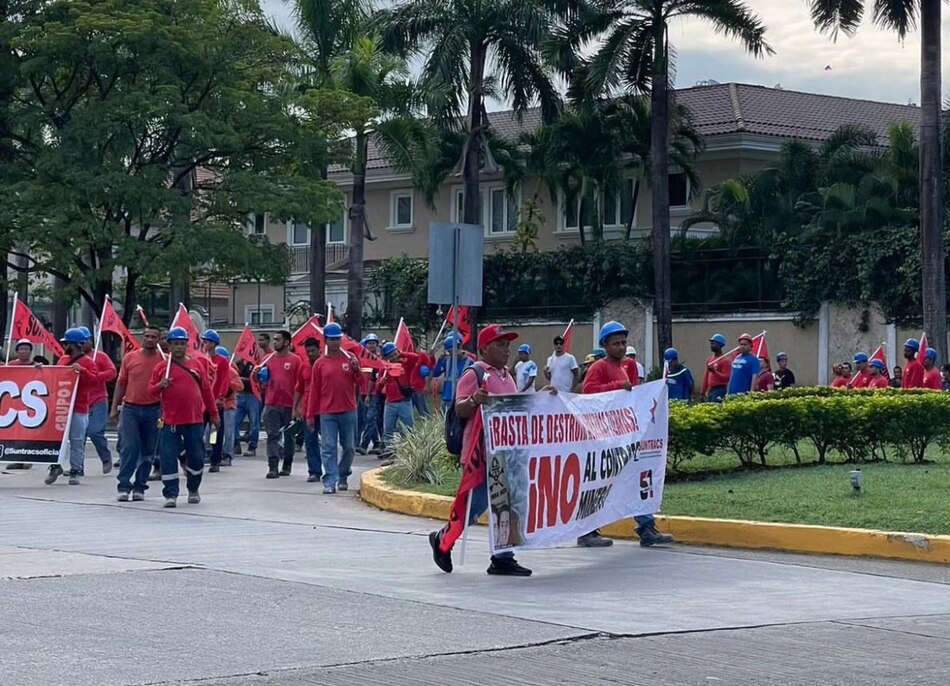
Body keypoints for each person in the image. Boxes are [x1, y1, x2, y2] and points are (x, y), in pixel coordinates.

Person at [428, 324, 532, 577]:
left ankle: (503, 557)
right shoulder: (474, 374)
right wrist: (475, 399)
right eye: (500, 344)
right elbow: (460, 408)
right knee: (474, 507)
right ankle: (442, 539)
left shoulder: (507, 375)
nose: (506, 349)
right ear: (484, 348)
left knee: (504, 505)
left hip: (506, 454)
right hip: (479, 455)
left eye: (507, 345)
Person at [583, 321, 674, 548]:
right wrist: (616, 386)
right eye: (616, 344)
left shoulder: (629, 366)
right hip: (605, 436)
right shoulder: (598, 367)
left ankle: (646, 527)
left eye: (623, 343)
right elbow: (588, 392)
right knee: (602, 483)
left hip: (626, 434)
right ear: (605, 345)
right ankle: (588, 530)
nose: (621, 347)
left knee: (637, 479)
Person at [149, 327, 219, 508]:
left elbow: (206, 391)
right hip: (169, 420)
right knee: (167, 457)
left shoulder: (198, 365)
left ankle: (193, 488)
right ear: (169, 346)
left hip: (194, 419)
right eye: (175, 344)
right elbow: (150, 392)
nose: (179, 347)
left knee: (196, 456)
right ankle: (170, 493)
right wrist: (160, 386)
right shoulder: (161, 368)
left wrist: (214, 414)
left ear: (186, 345)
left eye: (182, 344)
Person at [111, 326, 164, 501]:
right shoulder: (130, 358)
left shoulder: (165, 360)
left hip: (154, 409)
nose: (149, 339)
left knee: (148, 451)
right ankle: (124, 486)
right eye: (147, 336)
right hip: (131, 409)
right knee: (129, 449)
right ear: (142, 337)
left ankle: (140, 486)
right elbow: (121, 383)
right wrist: (114, 408)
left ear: (159, 339)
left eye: (153, 336)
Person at [307, 323, 361, 493]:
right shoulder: (319, 364)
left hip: (348, 410)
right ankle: (330, 481)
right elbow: (314, 391)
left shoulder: (350, 358)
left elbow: (361, 383)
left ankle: (343, 475)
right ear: (326, 341)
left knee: (349, 447)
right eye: (332, 339)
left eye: (338, 339)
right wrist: (310, 415)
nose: (336, 342)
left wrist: (357, 370)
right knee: (328, 447)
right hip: (327, 412)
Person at [45, 328, 98, 486]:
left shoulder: (88, 362)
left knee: (76, 440)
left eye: (67, 343)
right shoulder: (62, 360)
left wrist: (83, 372)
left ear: (74, 344)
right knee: (56, 440)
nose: (65, 346)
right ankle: (55, 465)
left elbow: (95, 381)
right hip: (61, 405)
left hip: (79, 407)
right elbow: (53, 377)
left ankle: (75, 469)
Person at [255, 329, 303, 478]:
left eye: (278, 340)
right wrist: (256, 374)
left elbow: (301, 385)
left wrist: (298, 406)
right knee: (272, 435)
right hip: (271, 403)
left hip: (290, 405)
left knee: (289, 437)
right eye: (274, 340)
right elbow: (260, 379)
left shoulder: (296, 360)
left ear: (287, 342)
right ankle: (273, 467)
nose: (274, 342)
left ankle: (287, 465)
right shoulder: (268, 359)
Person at [80, 327, 117, 475]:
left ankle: (106, 458)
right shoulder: (71, 357)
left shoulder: (100, 357)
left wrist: (95, 376)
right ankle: (78, 467)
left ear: (91, 341)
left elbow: (112, 372)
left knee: (95, 432)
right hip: (80, 401)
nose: (82, 344)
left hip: (98, 399)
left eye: (85, 341)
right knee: (79, 435)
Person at [380, 342, 423, 454]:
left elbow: (416, 357)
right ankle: (390, 451)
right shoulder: (384, 368)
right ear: (386, 357)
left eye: (394, 354)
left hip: (404, 401)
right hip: (390, 402)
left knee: (408, 428)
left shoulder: (405, 364)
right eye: (390, 355)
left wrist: (402, 353)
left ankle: (409, 450)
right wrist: (381, 382)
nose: (393, 357)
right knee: (388, 428)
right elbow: (378, 387)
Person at [202, 330, 233, 472]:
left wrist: (221, 396)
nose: (205, 344)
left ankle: (215, 460)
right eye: (204, 341)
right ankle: (197, 457)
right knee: (198, 432)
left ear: (214, 344)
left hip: (215, 403)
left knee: (215, 432)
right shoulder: (200, 359)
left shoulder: (222, 361)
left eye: (208, 341)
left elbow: (225, 380)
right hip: (201, 404)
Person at [4, 339, 37, 469]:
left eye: (27, 349)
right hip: (14, 403)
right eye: (21, 349)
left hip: (31, 404)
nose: (24, 351)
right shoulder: (10, 365)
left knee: (30, 433)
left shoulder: (36, 365)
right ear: (16, 351)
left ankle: (29, 458)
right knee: (16, 433)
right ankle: (18, 459)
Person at [294, 337, 323, 483]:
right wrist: (295, 408)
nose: (310, 354)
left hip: (324, 409)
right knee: (310, 442)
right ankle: (314, 471)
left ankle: (331, 471)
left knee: (328, 442)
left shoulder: (324, 364)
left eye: (313, 351)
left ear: (319, 350)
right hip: (307, 410)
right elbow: (299, 388)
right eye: (308, 352)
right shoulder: (303, 366)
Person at [209, 346, 242, 472]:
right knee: (213, 432)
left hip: (228, 406)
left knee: (228, 432)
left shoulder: (231, 371)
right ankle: (212, 451)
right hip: (214, 405)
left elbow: (240, 386)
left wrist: (229, 383)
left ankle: (227, 455)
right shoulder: (211, 369)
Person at [431, 333, 473, 411]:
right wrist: (439, 361)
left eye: (454, 350)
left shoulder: (470, 362)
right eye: (450, 352)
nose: (453, 354)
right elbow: (435, 373)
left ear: (460, 346)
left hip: (461, 398)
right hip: (446, 398)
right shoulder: (446, 360)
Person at [357, 335, 382, 455]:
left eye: (373, 343)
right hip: (362, 392)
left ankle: (364, 444)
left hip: (374, 393)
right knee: (368, 418)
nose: (371, 345)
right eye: (369, 343)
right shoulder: (362, 359)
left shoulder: (379, 359)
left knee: (370, 418)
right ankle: (377, 442)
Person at [233, 355, 261, 457]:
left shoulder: (255, 364)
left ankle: (252, 446)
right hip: (240, 395)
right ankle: (236, 443)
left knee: (254, 423)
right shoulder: (238, 364)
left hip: (252, 396)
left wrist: (241, 379)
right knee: (235, 421)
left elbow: (255, 379)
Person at [702, 334, 731, 402]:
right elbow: (706, 377)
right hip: (710, 390)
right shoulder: (710, 359)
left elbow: (726, 378)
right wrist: (702, 392)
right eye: (711, 344)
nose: (711, 346)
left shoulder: (725, 361)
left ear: (720, 345)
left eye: (713, 343)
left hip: (719, 389)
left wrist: (715, 372)